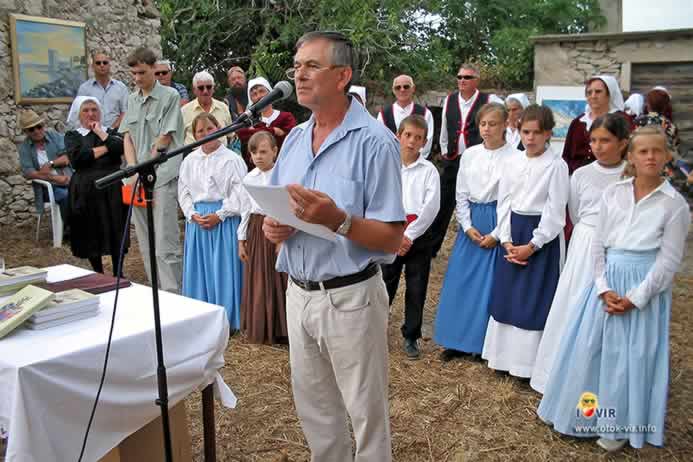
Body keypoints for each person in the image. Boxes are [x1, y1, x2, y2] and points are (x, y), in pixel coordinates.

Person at [264, 31, 405, 462]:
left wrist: (337, 220)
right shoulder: (292, 139)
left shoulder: (375, 143)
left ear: (342, 76)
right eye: (296, 65)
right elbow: (279, 210)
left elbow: (393, 237)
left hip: (350, 298)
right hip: (298, 293)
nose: (298, 75)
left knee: (365, 415)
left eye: (311, 66)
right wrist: (276, 227)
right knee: (316, 411)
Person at [537, 126, 690, 452]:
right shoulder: (614, 194)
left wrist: (636, 298)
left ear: (667, 157)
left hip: (643, 288)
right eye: (643, 151)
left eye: (657, 151)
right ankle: (582, 414)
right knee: (591, 349)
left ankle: (617, 424)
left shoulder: (674, 205)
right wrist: (603, 286)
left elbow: (669, 261)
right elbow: (598, 244)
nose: (650, 156)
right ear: (631, 156)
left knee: (629, 358)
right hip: (606, 284)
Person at [530, 113, 628, 394]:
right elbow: (573, 212)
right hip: (585, 243)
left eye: (605, 140)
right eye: (594, 140)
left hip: (618, 246)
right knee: (572, 304)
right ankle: (558, 374)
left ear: (622, 143)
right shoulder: (581, 174)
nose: (597, 146)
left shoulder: (629, 175)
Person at [482, 104, 569, 379]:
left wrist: (532, 246)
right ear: (517, 131)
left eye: (536, 133)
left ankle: (527, 364)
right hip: (513, 231)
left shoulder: (556, 165)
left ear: (548, 134)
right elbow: (504, 202)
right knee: (509, 295)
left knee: (533, 297)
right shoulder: (513, 161)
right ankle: (502, 358)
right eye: (525, 132)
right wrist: (506, 240)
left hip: (539, 236)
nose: (530, 138)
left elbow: (556, 213)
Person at [434, 103, 518, 362]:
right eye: (483, 124)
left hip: (497, 220)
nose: (487, 129)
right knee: (462, 281)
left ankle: (482, 345)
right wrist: (467, 225)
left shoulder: (514, 157)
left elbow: (512, 200)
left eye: (493, 124)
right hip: (471, 222)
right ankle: (455, 340)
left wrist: (497, 233)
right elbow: (461, 194)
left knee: (489, 285)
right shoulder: (470, 155)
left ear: (505, 125)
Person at [120, 47, 185, 294]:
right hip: (136, 179)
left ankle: (174, 298)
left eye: (142, 72)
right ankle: (155, 295)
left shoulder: (169, 96)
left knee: (164, 245)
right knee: (146, 244)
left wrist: (143, 166)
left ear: (153, 69)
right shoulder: (131, 97)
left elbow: (165, 138)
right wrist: (133, 171)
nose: (137, 78)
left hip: (161, 177)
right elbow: (127, 137)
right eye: (133, 73)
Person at [178, 112, 247, 329]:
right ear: (194, 135)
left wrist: (221, 214)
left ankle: (227, 319)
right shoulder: (189, 160)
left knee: (223, 269)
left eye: (210, 128)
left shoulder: (232, 159)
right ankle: (202, 316)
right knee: (201, 269)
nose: (206, 134)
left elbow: (241, 193)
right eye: (200, 131)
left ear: (219, 128)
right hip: (198, 221)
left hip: (223, 220)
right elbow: (184, 191)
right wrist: (191, 213)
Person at [381, 114, 439, 360]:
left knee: (416, 286)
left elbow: (431, 207)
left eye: (418, 138)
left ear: (424, 142)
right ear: (398, 136)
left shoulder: (429, 171)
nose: (412, 142)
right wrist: (394, 234)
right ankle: (376, 328)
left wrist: (409, 236)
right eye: (408, 136)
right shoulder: (386, 165)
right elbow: (379, 197)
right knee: (385, 284)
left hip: (418, 236)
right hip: (390, 232)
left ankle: (411, 335)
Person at [64, 96, 129, 275]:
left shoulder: (110, 131)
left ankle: (118, 272)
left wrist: (102, 135)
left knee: (116, 227)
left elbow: (122, 148)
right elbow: (78, 159)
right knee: (90, 229)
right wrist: (107, 148)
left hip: (112, 186)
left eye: (94, 110)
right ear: (79, 114)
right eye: (86, 110)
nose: (91, 114)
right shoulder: (73, 136)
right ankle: (98, 272)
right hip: (86, 189)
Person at [431, 63, 490, 258]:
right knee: (442, 204)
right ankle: (432, 248)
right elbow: (445, 129)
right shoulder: (450, 100)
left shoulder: (489, 100)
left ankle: (474, 245)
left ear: (476, 81)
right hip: (453, 159)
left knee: (473, 203)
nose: (462, 81)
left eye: (467, 77)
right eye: (460, 77)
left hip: (478, 163)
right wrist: (446, 151)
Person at [238, 131, 288, 344]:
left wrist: (282, 239)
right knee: (259, 277)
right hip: (257, 229)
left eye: (263, 152)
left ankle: (282, 328)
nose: (258, 156)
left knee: (280, 277)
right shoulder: (250, 178)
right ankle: (263, 327)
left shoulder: (283, 174)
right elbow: (245, 210)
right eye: (254, 153)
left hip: (278, 226)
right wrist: (241, 240)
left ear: (275, 151)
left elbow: (287, 207)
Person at [562, 75, 630, 174]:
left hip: (613, 175)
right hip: (578, 178)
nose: (593, 96)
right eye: (589, 92)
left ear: (609, 94)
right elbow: (567, 155)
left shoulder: (623, 120)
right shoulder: (578, 123)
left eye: (598, 91)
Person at [18, 110, 72, 224]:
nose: (37, 131)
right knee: (66, 195)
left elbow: (67, 158)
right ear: (26, 132)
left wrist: (50, 163)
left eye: (39, 126)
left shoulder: (54, 136)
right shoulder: (25, 148)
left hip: (68, 179)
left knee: (87, 190)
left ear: (43, 125)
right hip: (48, 188)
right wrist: (53, 178)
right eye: (31, 129)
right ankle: (69, 229)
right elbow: (29, 172)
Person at [377, 75, 435, 158]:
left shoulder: (425, 113)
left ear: (413, 88)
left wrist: (413, 161)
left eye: (406, 86)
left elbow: (427, 141)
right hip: (390, 163)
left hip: (417, 165)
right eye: (398, 87)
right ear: (393, 90)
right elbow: (380, 140)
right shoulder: (383, 115)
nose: (402, 90)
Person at [236, 77, 297, 152]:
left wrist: (256, 131)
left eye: (262, 91)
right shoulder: (250, 122)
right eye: (254, 94)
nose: (259, 96)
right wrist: (274, 131)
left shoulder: (286, 117)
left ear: (270, 93)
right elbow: (242, 134)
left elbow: (292, 139)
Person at [77, 50, 129, 130]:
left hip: (116, 134)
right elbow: (81, 114)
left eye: (105, 63)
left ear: (109, 66)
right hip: (92, 134)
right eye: (98, 63)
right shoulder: (84, 89)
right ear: (92, 66)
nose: (102, 65)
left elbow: (125, 112)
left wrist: (111, 129)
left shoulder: (121, 88)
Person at [181, 71, 233, 144]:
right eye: (201, 88)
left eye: (209, 87)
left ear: (213, 89)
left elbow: (230, 135)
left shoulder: (223, 107)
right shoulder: (185, 110)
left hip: (220, 153)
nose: (205, 91)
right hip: (193, 153)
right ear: (194, 90)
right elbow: (179, 140)